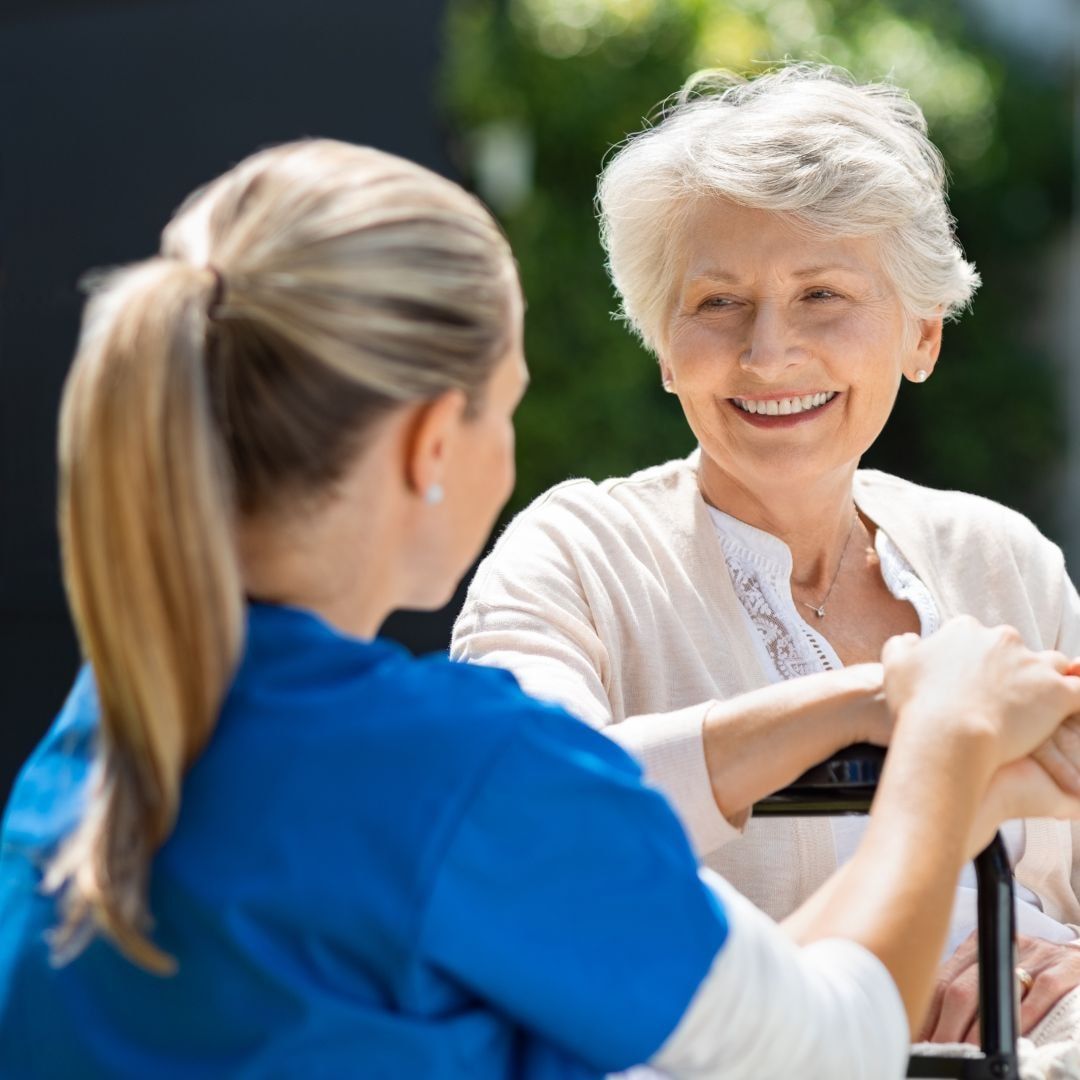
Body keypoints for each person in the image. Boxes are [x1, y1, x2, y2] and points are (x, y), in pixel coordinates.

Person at [1, 139, 1079, 1080]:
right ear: (433, 443)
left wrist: (877, 715)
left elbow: (571, 807)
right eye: (510, 405)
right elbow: (824, 1045)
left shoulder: (104, 732)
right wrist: (942, 747)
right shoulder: (459, 772)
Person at [450, 63, 1080, 1050]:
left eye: (822, 294)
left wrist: (1055, 965)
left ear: (922, 333)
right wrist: (875, 988)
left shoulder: (1003, 558)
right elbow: (529, 828)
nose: (767, 352)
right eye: (717, 304)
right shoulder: (572, 557)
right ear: (664, 345)